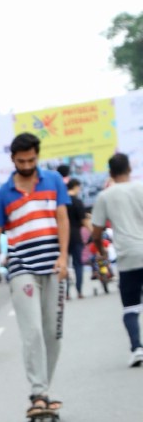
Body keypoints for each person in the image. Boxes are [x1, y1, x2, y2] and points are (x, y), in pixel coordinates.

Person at [0, 134, 70, 418]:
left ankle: (45, 388)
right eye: (21, 161)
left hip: (54, 267)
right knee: (32, 332)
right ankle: (38, 392)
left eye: (31, 160)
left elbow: (62, 219)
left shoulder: (54, 181)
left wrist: (63, 256)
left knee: (53, 335)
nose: (27, 165)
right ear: (13, 160)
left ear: (37, 156)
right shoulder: (3, 194)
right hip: (23, 269)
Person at [90, 153, 143, 365]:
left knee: (130, 307)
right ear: (129, 169)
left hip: (127, 256)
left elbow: (96, 231)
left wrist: (100, 251)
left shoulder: (106, 196)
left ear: (110, 173)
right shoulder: (141, 187)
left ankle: (137, 348)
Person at [65, 179, 87, 300]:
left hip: (63, 237)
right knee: (78, 264)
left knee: (65, 265)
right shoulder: (78, 202)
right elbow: (83, 220)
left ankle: (66, 293)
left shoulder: (62, 202)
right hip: (76, 236)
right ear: (76, 187)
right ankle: (79, 291)